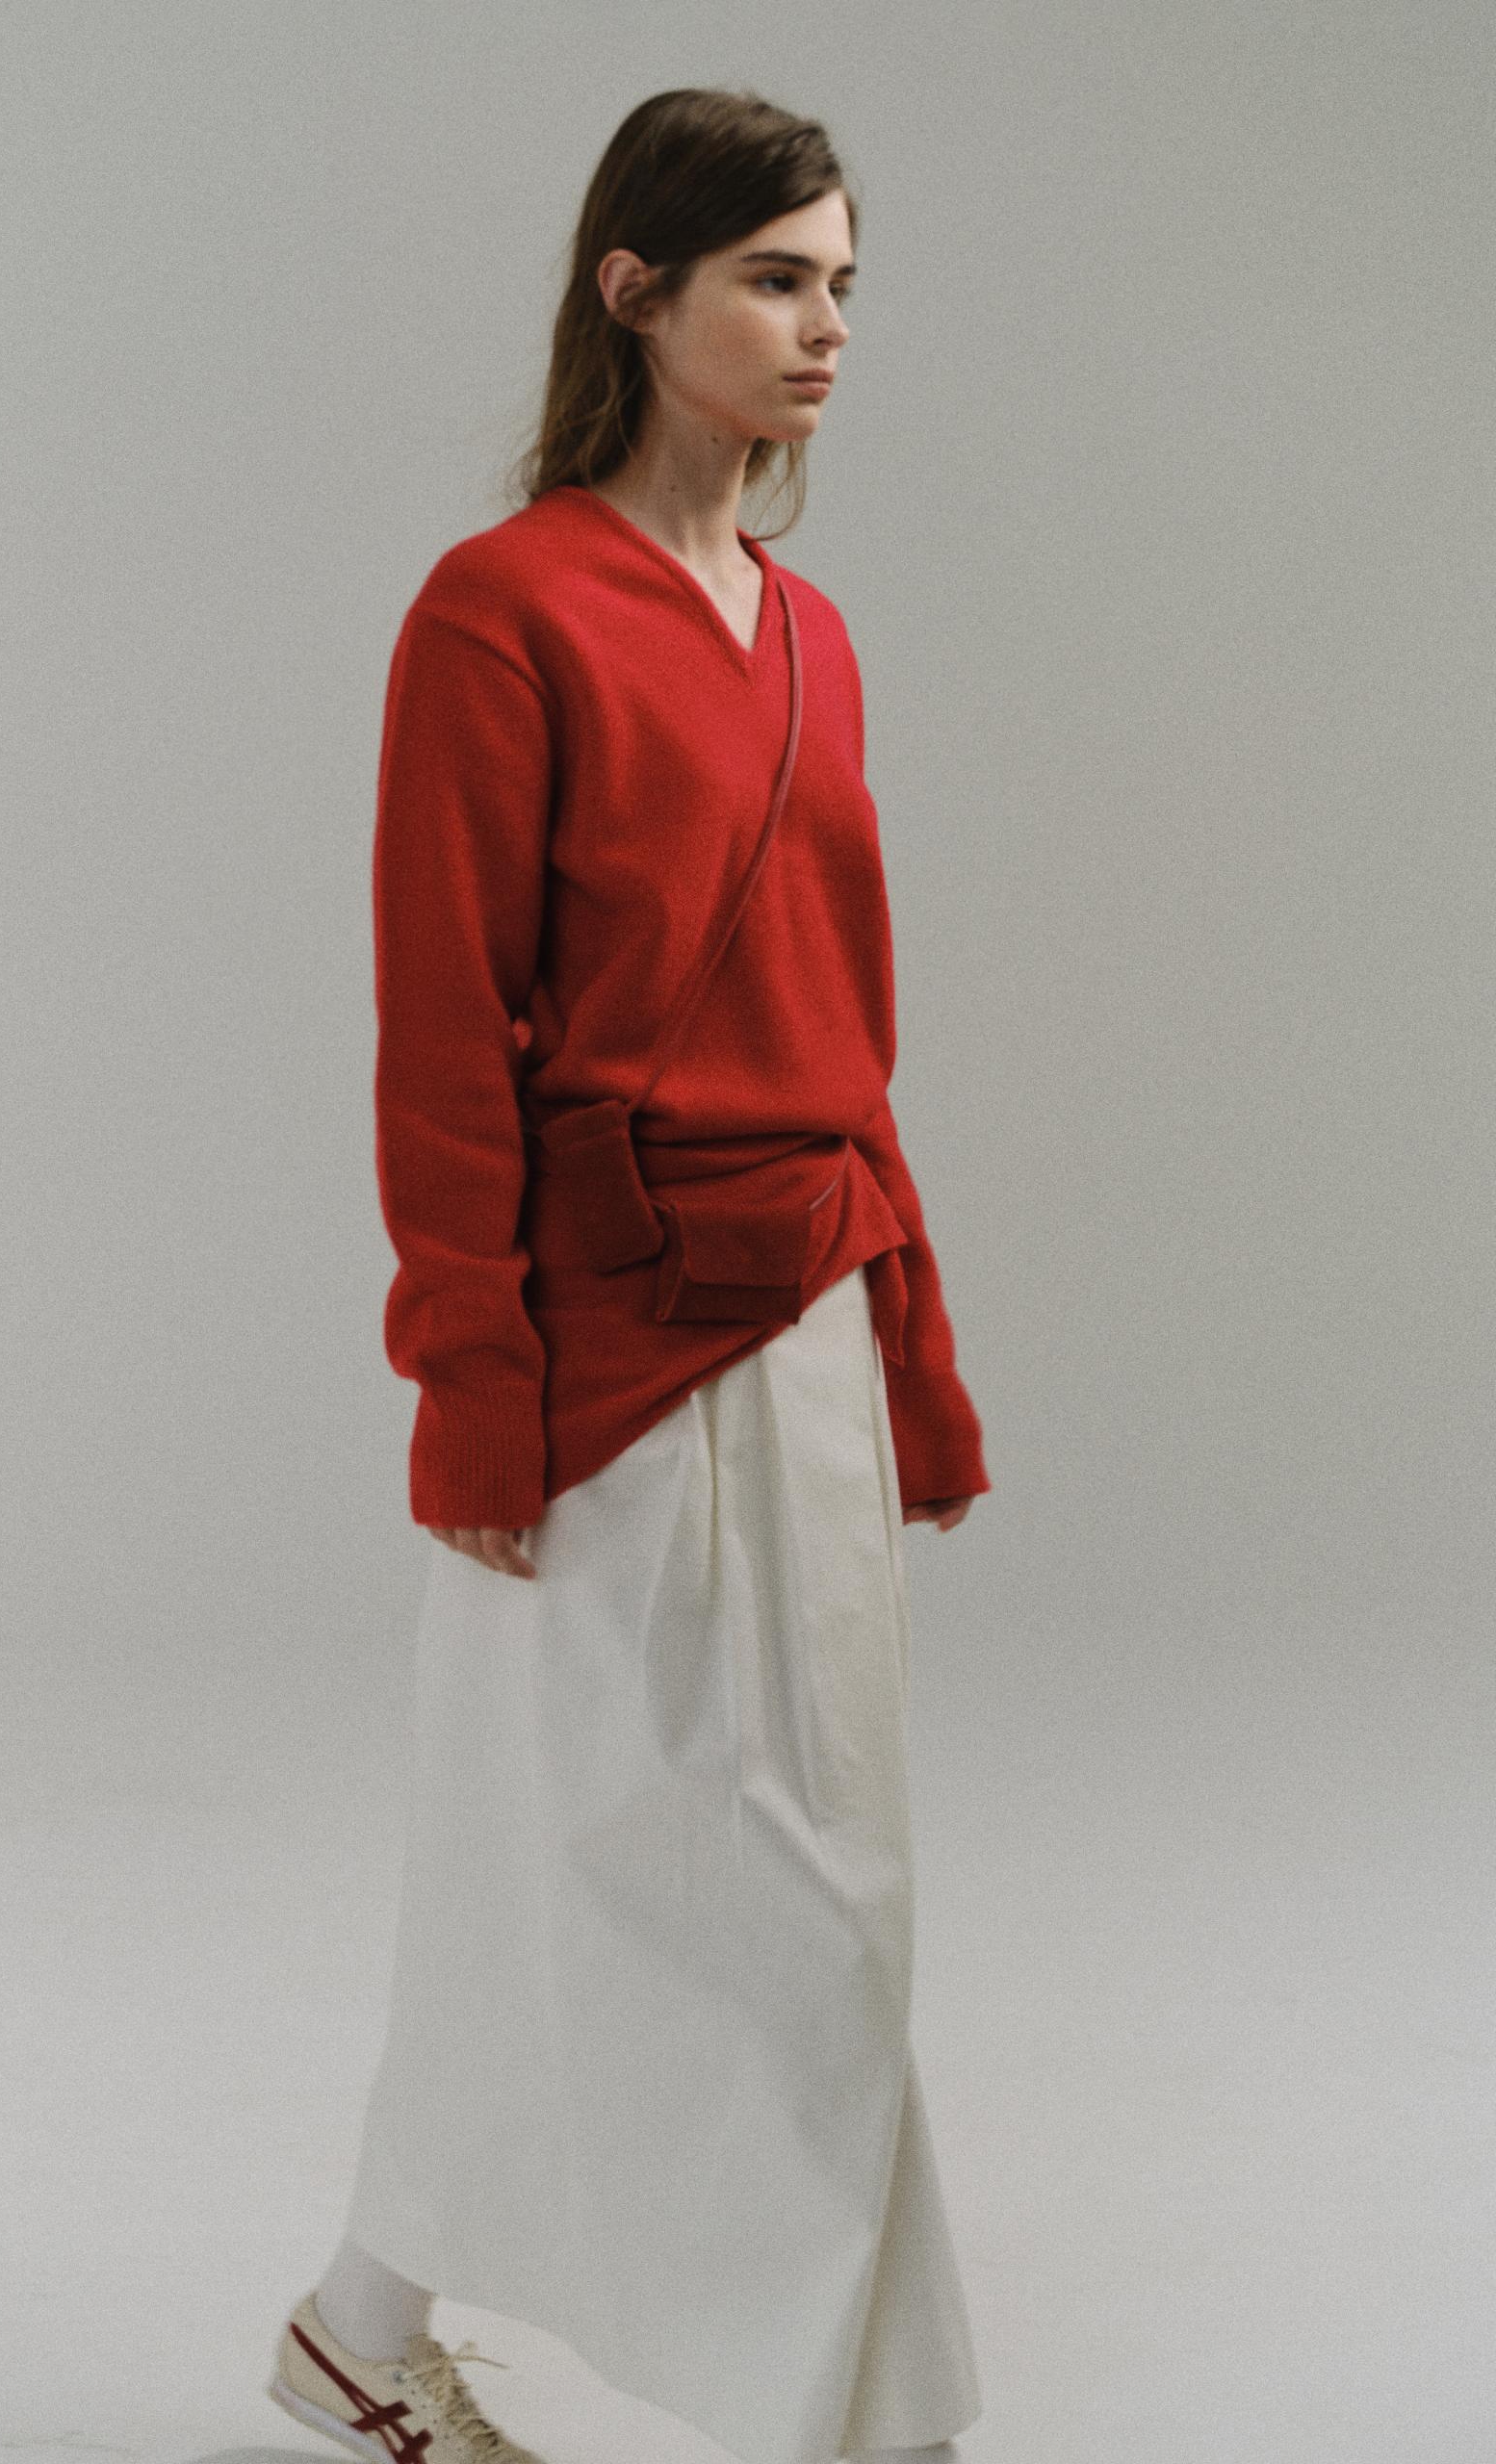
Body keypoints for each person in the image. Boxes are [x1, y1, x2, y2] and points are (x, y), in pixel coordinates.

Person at [270, 85, 991, 2464]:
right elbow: (443, 1033)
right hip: (606, 1347)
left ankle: (366, 2328)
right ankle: (843, 2426)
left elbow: (848, 1031)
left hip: (812, 1319)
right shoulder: (501, 612)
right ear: (634, 291)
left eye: (844, 283)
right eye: (777, 278)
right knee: (590, 1876)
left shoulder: (815, 637)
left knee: (820, 1890)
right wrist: (470, 1377)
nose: (826, 328)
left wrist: (919, 1351)